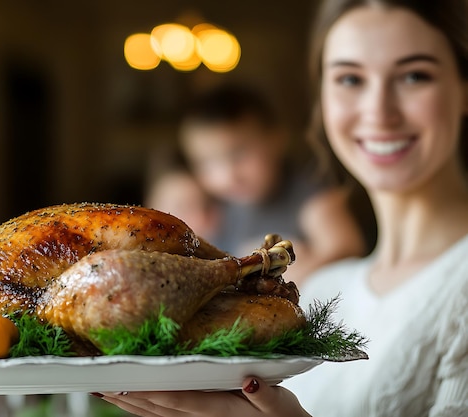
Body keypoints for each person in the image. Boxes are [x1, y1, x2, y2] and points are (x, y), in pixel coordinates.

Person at [99, 0, 468, 415]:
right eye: (349, 79)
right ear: (322, 96)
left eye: (415, 75)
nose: (378, 112)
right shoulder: (325, 289)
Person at [177, 83, 367, 285]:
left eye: (239, 154)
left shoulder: (311, 194)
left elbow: (348, 249)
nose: (228, 175)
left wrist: (300, 271)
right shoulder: (218, 209)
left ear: (276, 139)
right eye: (207, 163)